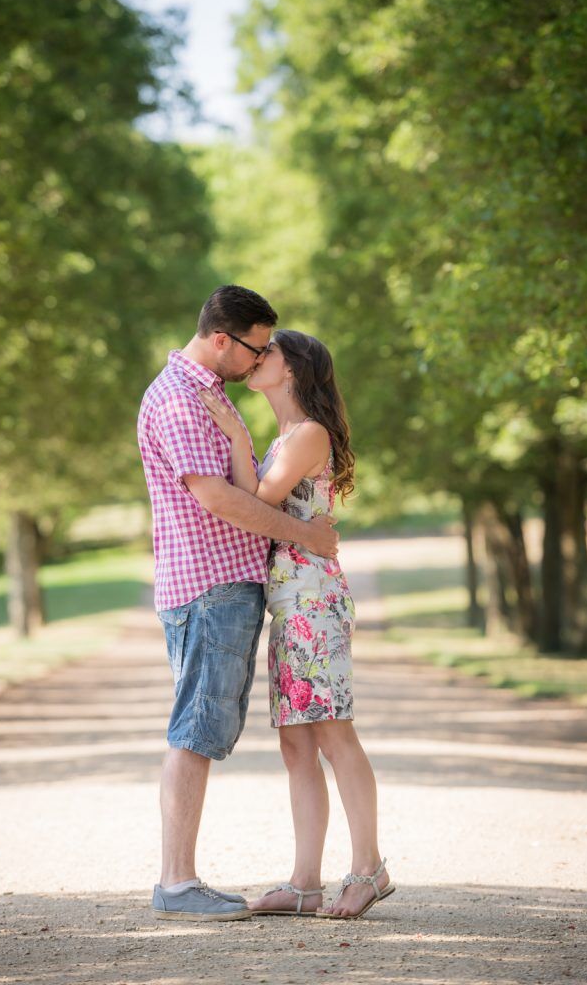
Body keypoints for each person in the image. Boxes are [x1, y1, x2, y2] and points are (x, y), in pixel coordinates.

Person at [137, 287, 339, 922]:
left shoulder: (208, 392)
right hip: (209, 586)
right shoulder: (179, 398)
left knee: (202, 726)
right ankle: (177, 882)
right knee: (196, 728)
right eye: (254, 347)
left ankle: (180, 878)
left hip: (219, 586)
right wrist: (310, 536)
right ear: (222, 338)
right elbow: (219, 499)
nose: (259, 360)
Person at [199, 329, 394, 920]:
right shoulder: (288, 436)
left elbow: (256, 498)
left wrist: (234, 433)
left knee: (334, 732)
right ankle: (305, 884)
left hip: (311, 599)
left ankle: (369, 869)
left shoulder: (307, 433)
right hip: (290, 600)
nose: (258, 360)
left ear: (292, 370)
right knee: (296, 744)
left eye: (269, 353)